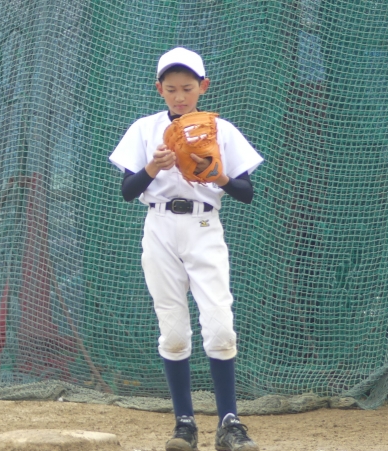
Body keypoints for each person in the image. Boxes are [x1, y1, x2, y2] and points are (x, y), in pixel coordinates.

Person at [109, 47, 264, 451]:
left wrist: (220, 177)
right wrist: (152, 168)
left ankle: (229, 422)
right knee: (174, 332)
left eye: (188, 87)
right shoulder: (145, 130)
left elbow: (246, 192)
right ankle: (184, 424)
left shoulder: (221, 129)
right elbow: (127, 191)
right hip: (160, 226)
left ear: (203, 87)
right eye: (172, 88)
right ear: (159, 89)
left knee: (220, 327)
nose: (180, 96)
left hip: (203, 226)